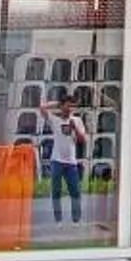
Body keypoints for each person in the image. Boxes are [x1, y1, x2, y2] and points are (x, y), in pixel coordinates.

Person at [46, 91, 89, 224]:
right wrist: (57, 103)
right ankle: (58, 218)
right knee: (56, 191)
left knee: (75, 191)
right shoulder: (55, 119)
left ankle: (76, 218)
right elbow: (42, 107)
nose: (70, 109)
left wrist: (75, 128)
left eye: (72, 106)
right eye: (67, 105)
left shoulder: (77, 120)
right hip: (57, 160)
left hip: (71, 161)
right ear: (62, 106)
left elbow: (83, 140)